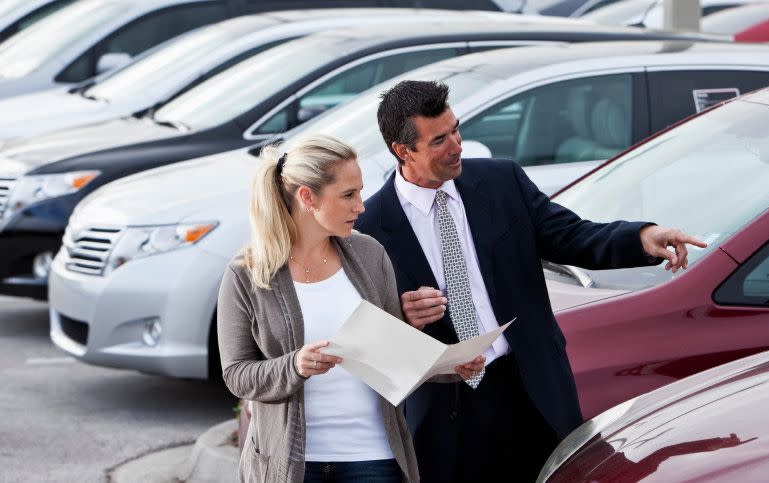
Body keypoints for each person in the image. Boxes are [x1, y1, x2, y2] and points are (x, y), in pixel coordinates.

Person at [354, 80, 707, 482]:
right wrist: (402, 316)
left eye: (456, 130)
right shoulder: (370, 228)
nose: (456, 146)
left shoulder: (502, 182)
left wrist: (642, 237)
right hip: (446, 414)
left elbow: (572, 236)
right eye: (439, 140)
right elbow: (366, 340)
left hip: (530, 389)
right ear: (403, 151)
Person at [217, 135, 483, 483]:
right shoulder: (247, 273)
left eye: (360, 191)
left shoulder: (371, 256)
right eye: (348, 195)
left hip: (373, 458)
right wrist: (294, 365)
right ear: (307, 197)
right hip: (292, 463)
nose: (361, 206)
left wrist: (450, 366)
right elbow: (237, 374)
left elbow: (391, 357)